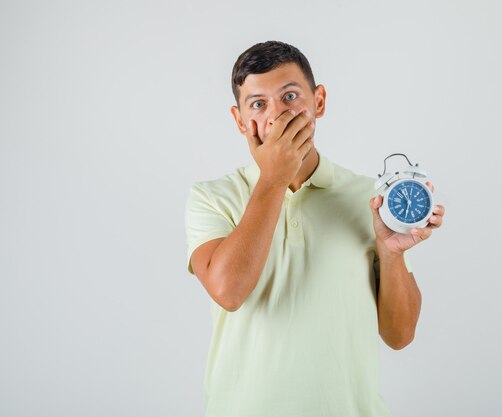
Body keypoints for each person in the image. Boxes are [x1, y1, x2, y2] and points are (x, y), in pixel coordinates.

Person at [185, 40, 446, 417]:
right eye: (258, 104)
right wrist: (273, 179)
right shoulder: (211, 197)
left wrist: (391, 253)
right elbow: (228, 291)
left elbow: (400, 335)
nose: (277, 115)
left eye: (290, 96)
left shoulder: (368, 197)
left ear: (318, 101)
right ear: (239, 120)